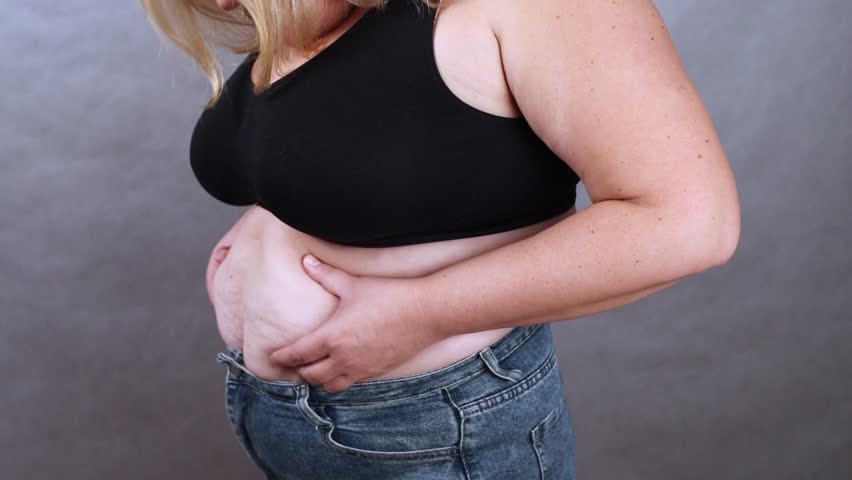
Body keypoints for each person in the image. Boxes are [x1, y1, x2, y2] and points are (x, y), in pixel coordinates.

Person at [140, 0, 740, 478]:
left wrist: (423, 312)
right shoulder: (353, 13)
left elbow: (689, 223)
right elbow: (389, 158)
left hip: (433, 431)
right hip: (286, 419)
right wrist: (270, 225)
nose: (223, 3)